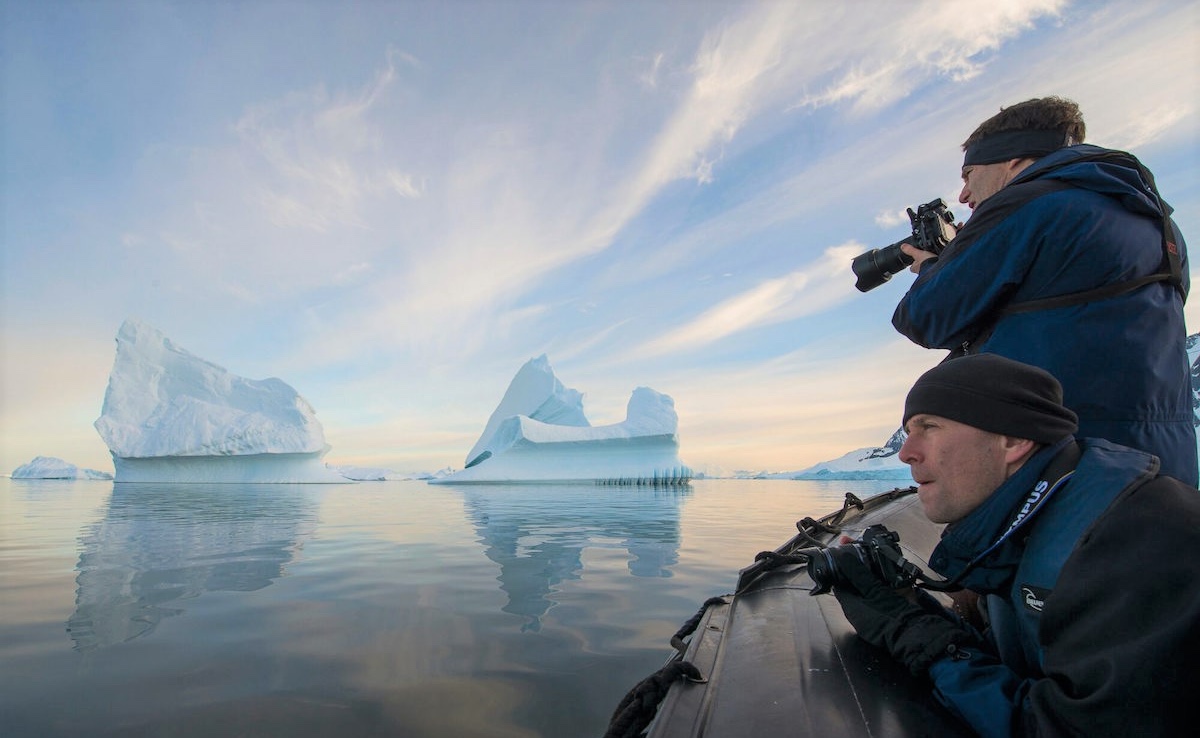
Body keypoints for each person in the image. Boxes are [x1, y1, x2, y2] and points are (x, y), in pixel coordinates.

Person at [830, 354, 1200, 738]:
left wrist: (913, 634)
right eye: (909, 431)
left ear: (1014, 439)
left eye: (929, 426)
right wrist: (907, 607)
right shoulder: (1025, 532)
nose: (906, 452)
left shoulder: (1132, 544)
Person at [892, 96, 1197, 486]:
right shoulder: (1162, 226)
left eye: (969, 175)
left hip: (1061, 463)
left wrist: (932, 266)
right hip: (1163, 466)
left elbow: (924, 318)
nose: (964, 195)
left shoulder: (1026, 204)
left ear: (1013, 160)